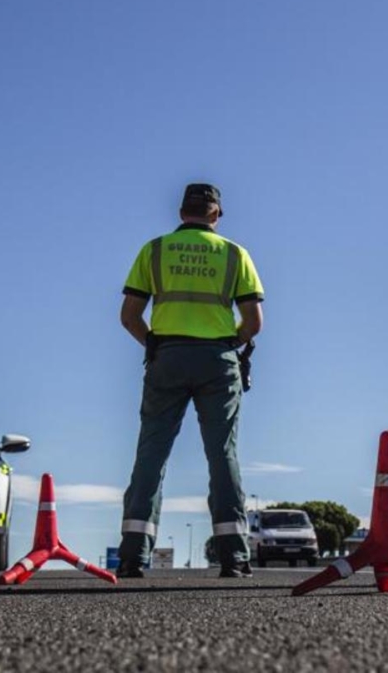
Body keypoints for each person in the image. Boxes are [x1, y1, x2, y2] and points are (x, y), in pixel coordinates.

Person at [116, 182, 264, 579]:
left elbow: (129, 315)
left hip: (167, 357)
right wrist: (230, 343)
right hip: (218, 360)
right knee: (222, 455)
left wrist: (155, 345)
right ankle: (234, 556)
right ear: (216, 214)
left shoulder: (155, 250)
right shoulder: (235, 254)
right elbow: (254, 323)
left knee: (151, 454)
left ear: (182, 213)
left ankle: (132, 555)